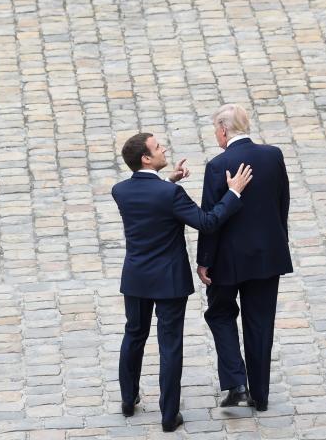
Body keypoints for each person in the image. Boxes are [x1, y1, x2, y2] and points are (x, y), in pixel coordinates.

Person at [112, 131, 253, 432]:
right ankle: (168, 415)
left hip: (136, 276)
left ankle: (127, 399)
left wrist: (170, 181)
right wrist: (233, 193)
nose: (164, 149)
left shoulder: (120, 191)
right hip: (169, 280)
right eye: (158, 147)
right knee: (170, 345)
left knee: (134, 334)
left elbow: (150, 202)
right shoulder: (170, 195)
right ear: (146, 158)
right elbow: (207, 221)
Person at [196, 104, 292, 411]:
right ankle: (260, 396)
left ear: (223, 130)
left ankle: (237, 383)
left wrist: (204, 260)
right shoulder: (273, 155)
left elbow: (211, 218)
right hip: (267, 255)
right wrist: (278, 241)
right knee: (261, 323)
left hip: (228, 260)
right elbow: (282, 202)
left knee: (220, 314)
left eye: (215, 129)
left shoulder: (217, 164)